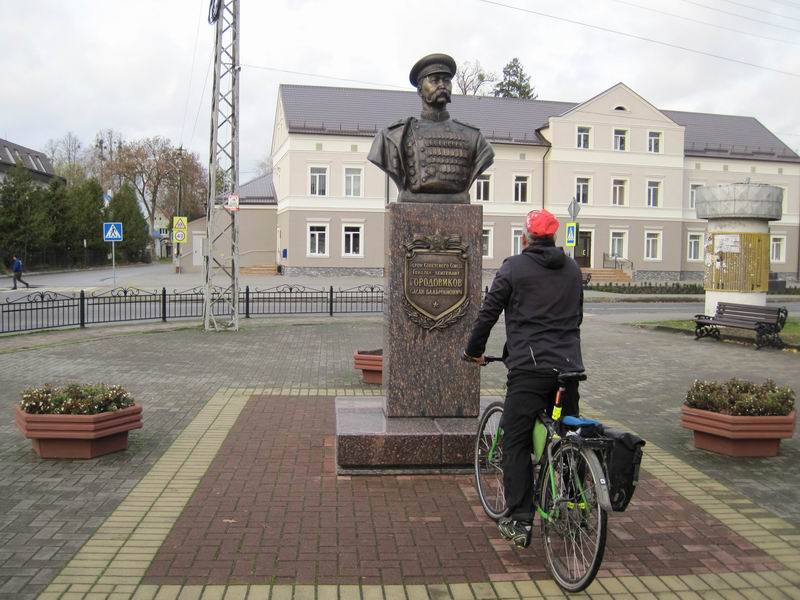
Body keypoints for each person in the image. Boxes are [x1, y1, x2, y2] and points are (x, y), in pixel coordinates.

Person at [462, 209, 584, 549]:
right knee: (568, 433)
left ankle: (518, 519)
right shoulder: (573, 269)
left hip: (529, 370)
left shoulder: (513, 268)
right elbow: (578, 316)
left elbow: (488, 314)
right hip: (569, 369)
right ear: (555, 239)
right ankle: (575, 500)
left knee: (514, 441)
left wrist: (473, 350)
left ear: (525, 238)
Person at [368, 53, 494, 203]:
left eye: (446, 80)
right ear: (420, 90)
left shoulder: (474, 138)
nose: (442, 85)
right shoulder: (393, 136)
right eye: (434, 80)